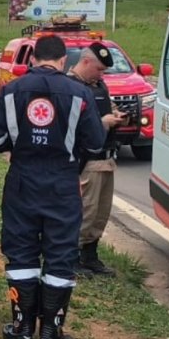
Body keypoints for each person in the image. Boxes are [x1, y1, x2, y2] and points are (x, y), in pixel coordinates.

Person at [0, 34, 106, 339]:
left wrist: (23, 143)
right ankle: (51, 333)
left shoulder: (11, 90)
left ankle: (22, 328)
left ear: (33, 58)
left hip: (22, 181)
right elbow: (95, 145)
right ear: (63, 60)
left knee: (20, 252)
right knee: (61, 254)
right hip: (63, 185)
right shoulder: (79, 93)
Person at [68, 42, 129, 277]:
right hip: (87, 160)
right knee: (85, 211)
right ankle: (72, 258)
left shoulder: (98, 85)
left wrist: (115, 115)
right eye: (99, 69)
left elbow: (106, 105)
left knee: (101, 212)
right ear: (85, 62)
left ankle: (90, 256)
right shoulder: (71, 87)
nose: (102, 75)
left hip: (107, 158)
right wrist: (103, 123)